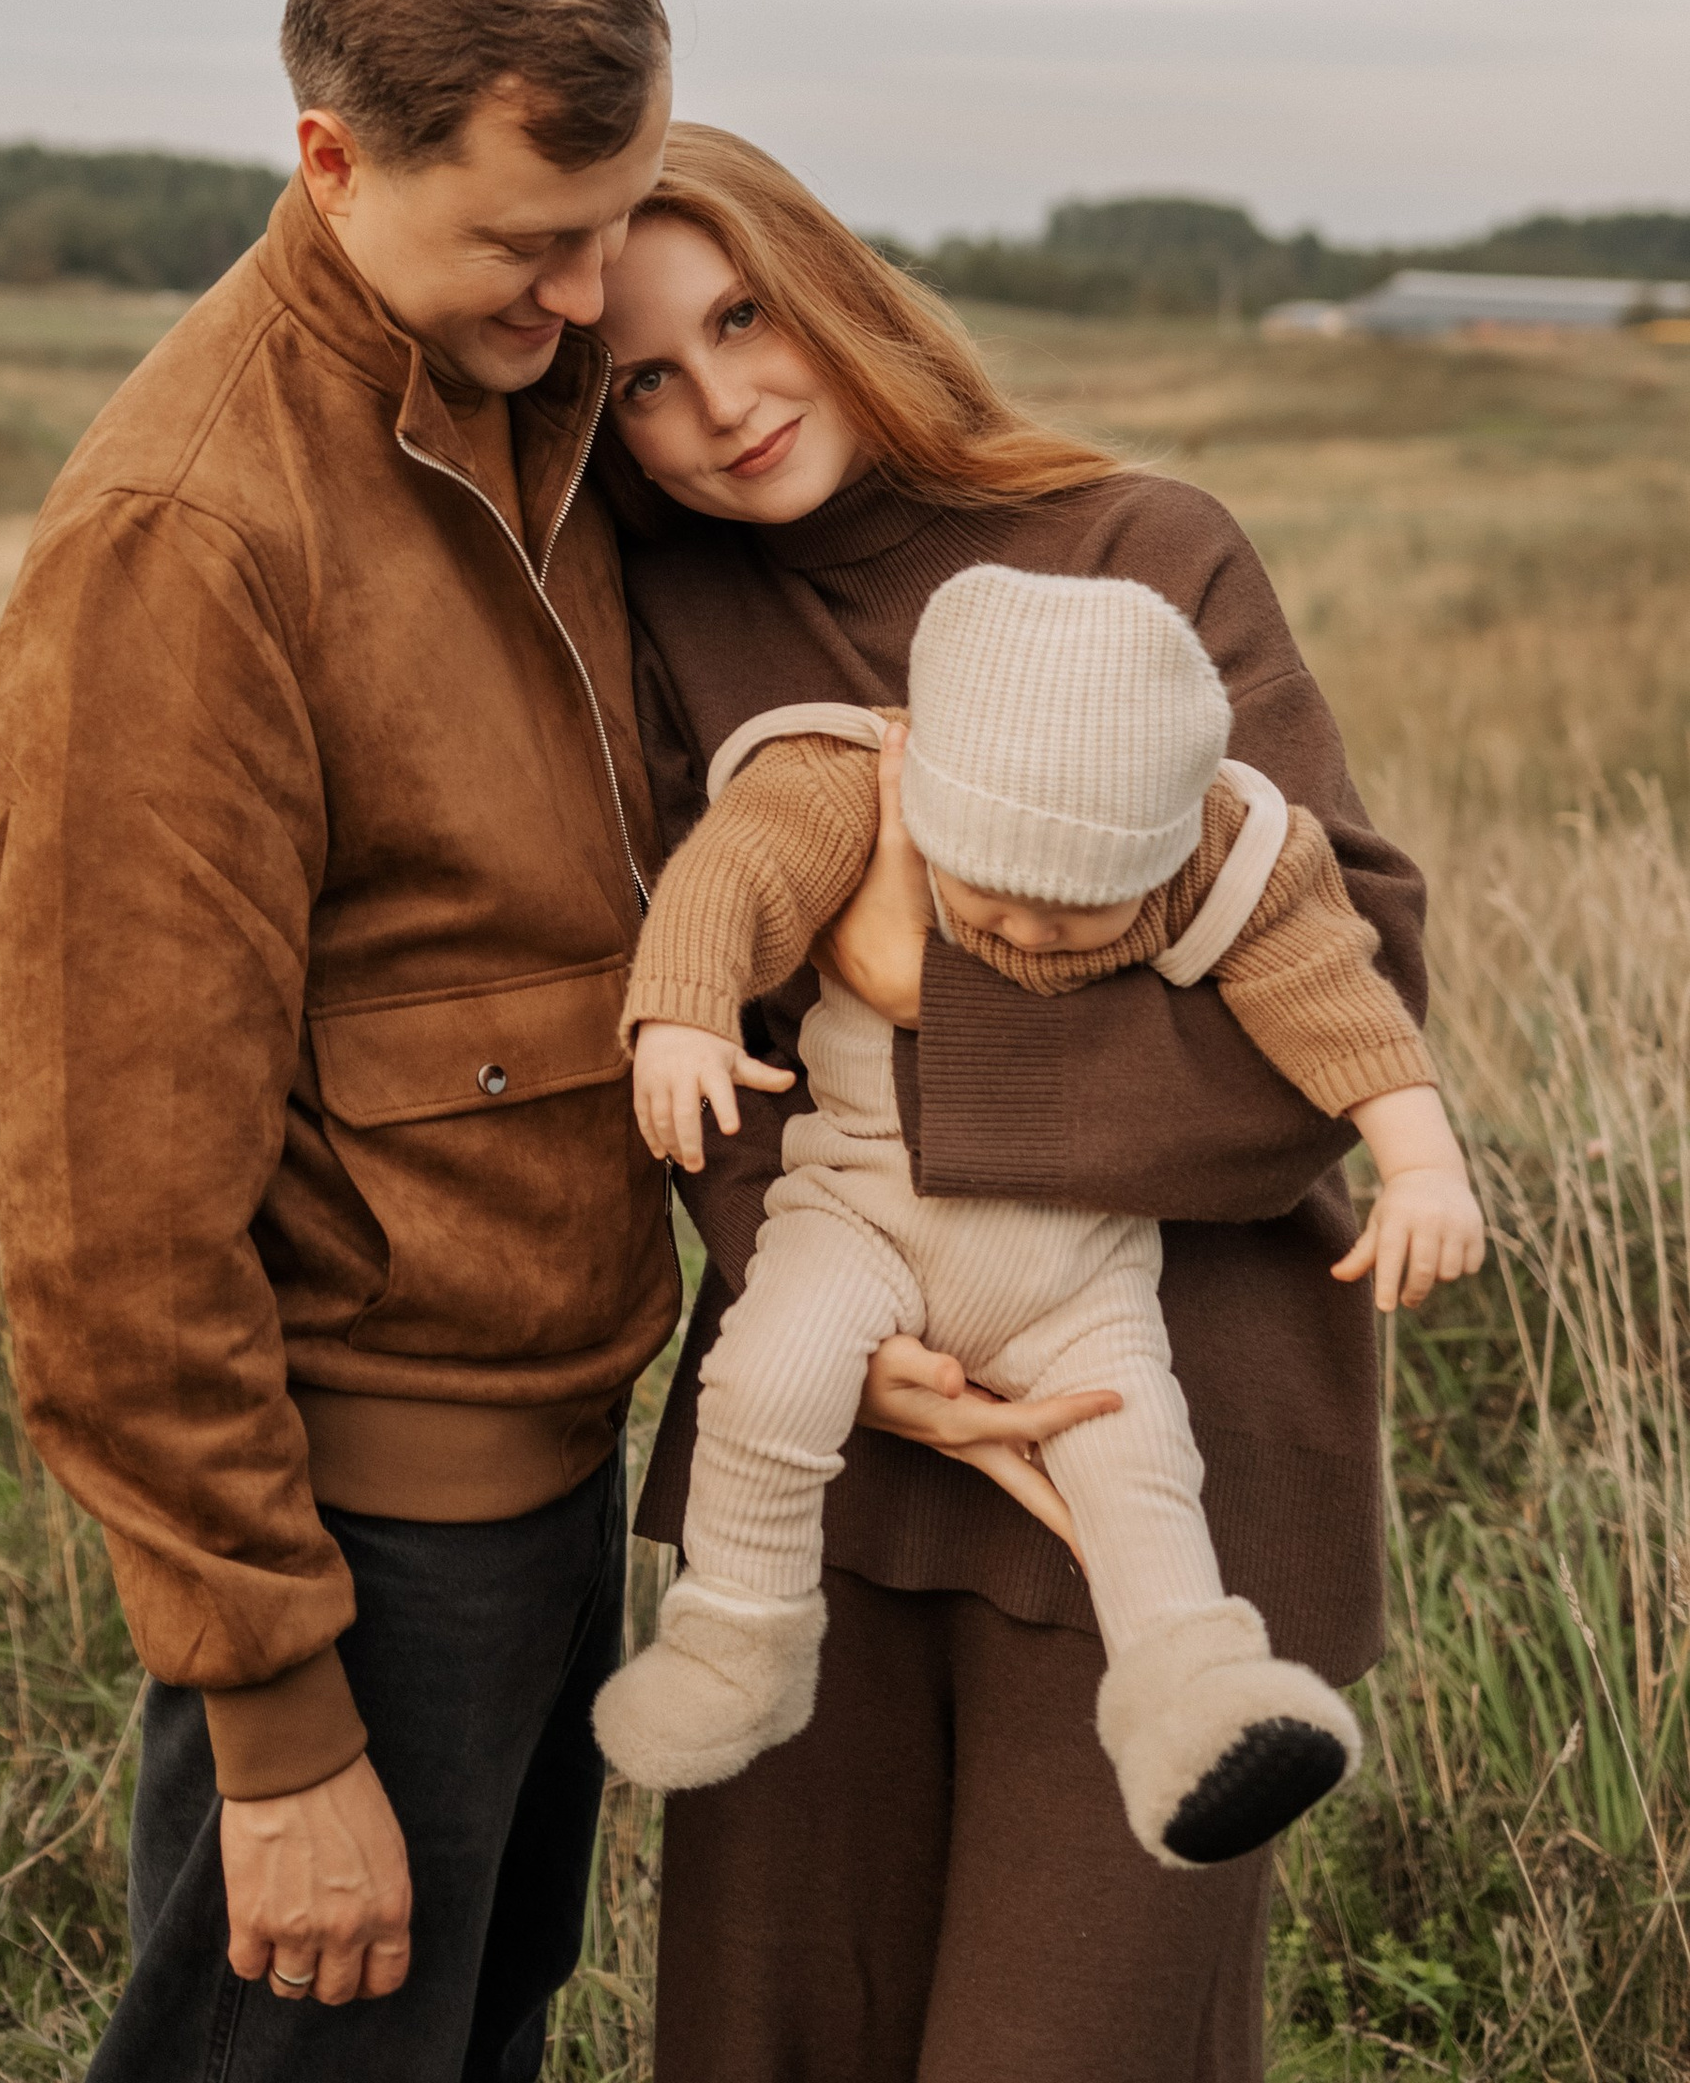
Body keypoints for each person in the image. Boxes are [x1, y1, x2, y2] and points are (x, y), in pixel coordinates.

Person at [591, 124, 1432, 2083]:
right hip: (824, 1459)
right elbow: (676, 1011)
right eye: (639, 375)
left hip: (1159, 1444)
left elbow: (1332, 987)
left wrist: (905, 984)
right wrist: (828, 1299)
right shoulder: (662, 622)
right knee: (773, 2039)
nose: (717, 402)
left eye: (741, 315)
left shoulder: (1140, 545)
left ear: (835, 289)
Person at [0, 0, 684, 2081]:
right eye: (524, 238)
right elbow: (113, 1211)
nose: (586, 295)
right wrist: (279, 1731)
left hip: (556, 1474)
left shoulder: (524, 398)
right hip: (366, 1544)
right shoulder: (186, 535)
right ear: (326, 159)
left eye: (612, 219)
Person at [593, 566, 1483, 1862]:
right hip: (861, 1208)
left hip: (1077, 1262)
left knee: (1137, 1463)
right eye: (989, 892)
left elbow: (1331, 1003)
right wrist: (679, 1010)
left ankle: (1198, 1692)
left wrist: (1425, 1166)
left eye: (1075, 913)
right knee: (767, 1379)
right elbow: (734, 875)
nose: (1022, 933)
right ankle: (739, 1636)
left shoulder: (1223, 855)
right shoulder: (862, 773)